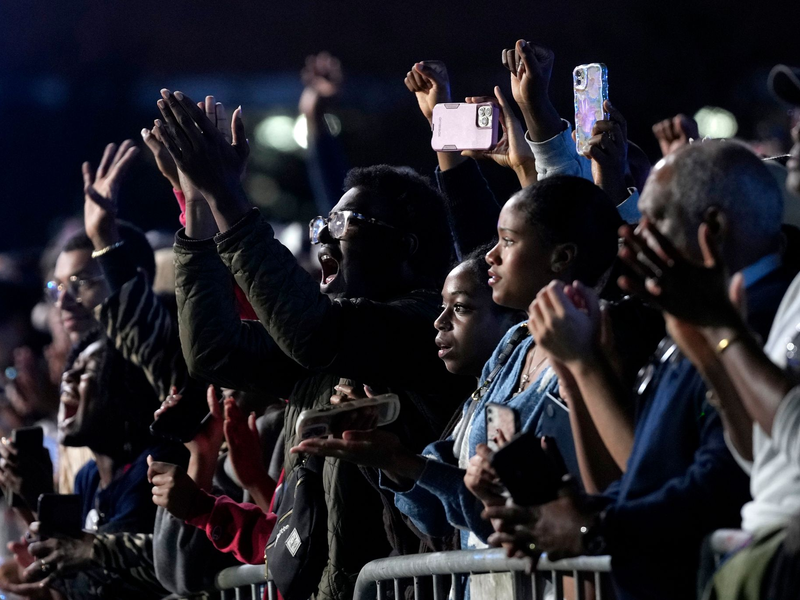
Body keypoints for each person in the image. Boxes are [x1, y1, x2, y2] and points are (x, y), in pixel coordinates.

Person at [155, 88, 474, 600]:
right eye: (323, 223)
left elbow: (314, 332)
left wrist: (227, 199)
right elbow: (215, 350)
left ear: (405, 247)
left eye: (345, 224)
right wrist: (198, 205)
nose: (324, 237)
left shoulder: (423, 324)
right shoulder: (330, 343)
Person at [486, 140, 793, 600]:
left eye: (657, 218)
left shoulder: (761, 316)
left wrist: (596, 524)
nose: (634, 234)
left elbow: (720, 483)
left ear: (713, 227)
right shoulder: (694, 315)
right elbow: (642, 477)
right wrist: (568, 515)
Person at [296, 175, 622, 600]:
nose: (491, 256)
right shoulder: (513, 349)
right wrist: (394, 459)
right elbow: (446, 514)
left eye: (507, 241)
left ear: (560, 257)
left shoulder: (603, 348)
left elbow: (572, 506)